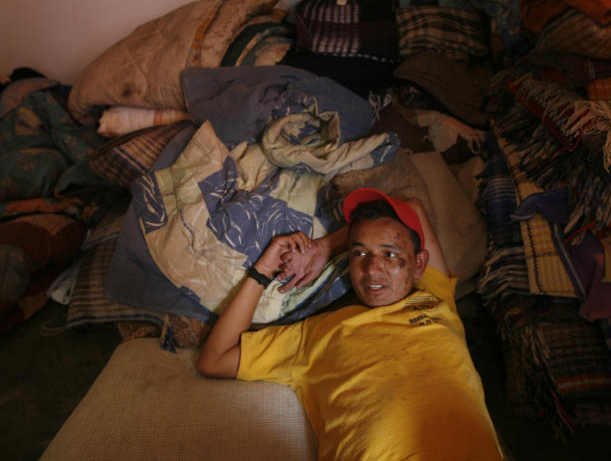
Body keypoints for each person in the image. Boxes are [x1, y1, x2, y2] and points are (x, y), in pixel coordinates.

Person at [197, 188, 506, 460]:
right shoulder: (316, 333)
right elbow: (214, 359)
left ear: (419, 264)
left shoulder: (435, 299)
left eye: (389, 254)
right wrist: (263, 270)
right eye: (360, 253)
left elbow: (412, 206)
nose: (372, 268)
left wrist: (324, 246)